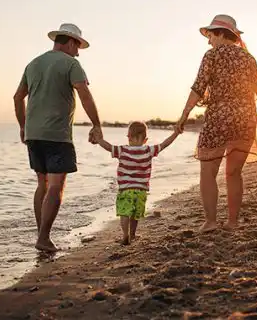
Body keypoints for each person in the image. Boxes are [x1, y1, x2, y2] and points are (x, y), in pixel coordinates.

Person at [175, 15, 257, 233]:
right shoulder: (249, 59)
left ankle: (211, 222)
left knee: (208, 172)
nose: (208, 40)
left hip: (218, 120)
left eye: (210, 35)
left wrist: (184, 115)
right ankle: (232, 223)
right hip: (245, 120)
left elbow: (198, 89)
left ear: (221, 34)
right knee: (234, 173)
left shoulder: (211, 56)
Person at [13, 23, 102, 252]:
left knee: (42, 183)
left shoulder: (33, 64)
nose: (78, 52)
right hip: (58, 135)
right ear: (71, 42)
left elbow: (17, 97)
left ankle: (42, 235)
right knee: (56, 187)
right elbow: (84, 94)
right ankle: (43, 238)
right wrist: (96, 124)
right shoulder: (71, 64)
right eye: (78, 46)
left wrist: (24, 127)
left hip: (34, 134)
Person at [93, 121, 179, 245]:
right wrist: (175, 133)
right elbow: (165, 144)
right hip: (141, 191)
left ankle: (125, 235)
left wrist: (99, 139)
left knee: (124, 213)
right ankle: (132, 235)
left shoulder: (122, 150)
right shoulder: (149, 150)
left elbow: (108, 147)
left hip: (125, 190)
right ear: (145, 139)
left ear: (128, 137)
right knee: (135, 215)